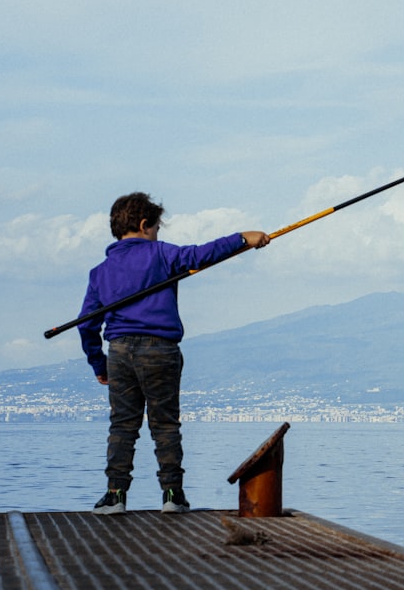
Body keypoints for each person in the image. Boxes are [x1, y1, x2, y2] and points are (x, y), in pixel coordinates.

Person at [78, 192, 270, 515]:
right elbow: (202, 255)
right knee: (165, 424)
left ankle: (114, 496)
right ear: (144, 225)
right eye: (156, 228)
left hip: (119, 351)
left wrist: (99, 364)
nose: (157, 235)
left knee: (122, 426)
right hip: (160, 350)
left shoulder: (100, 273)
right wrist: (242, 239)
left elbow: (87, 326)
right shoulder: (161, 254)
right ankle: (172, 495)